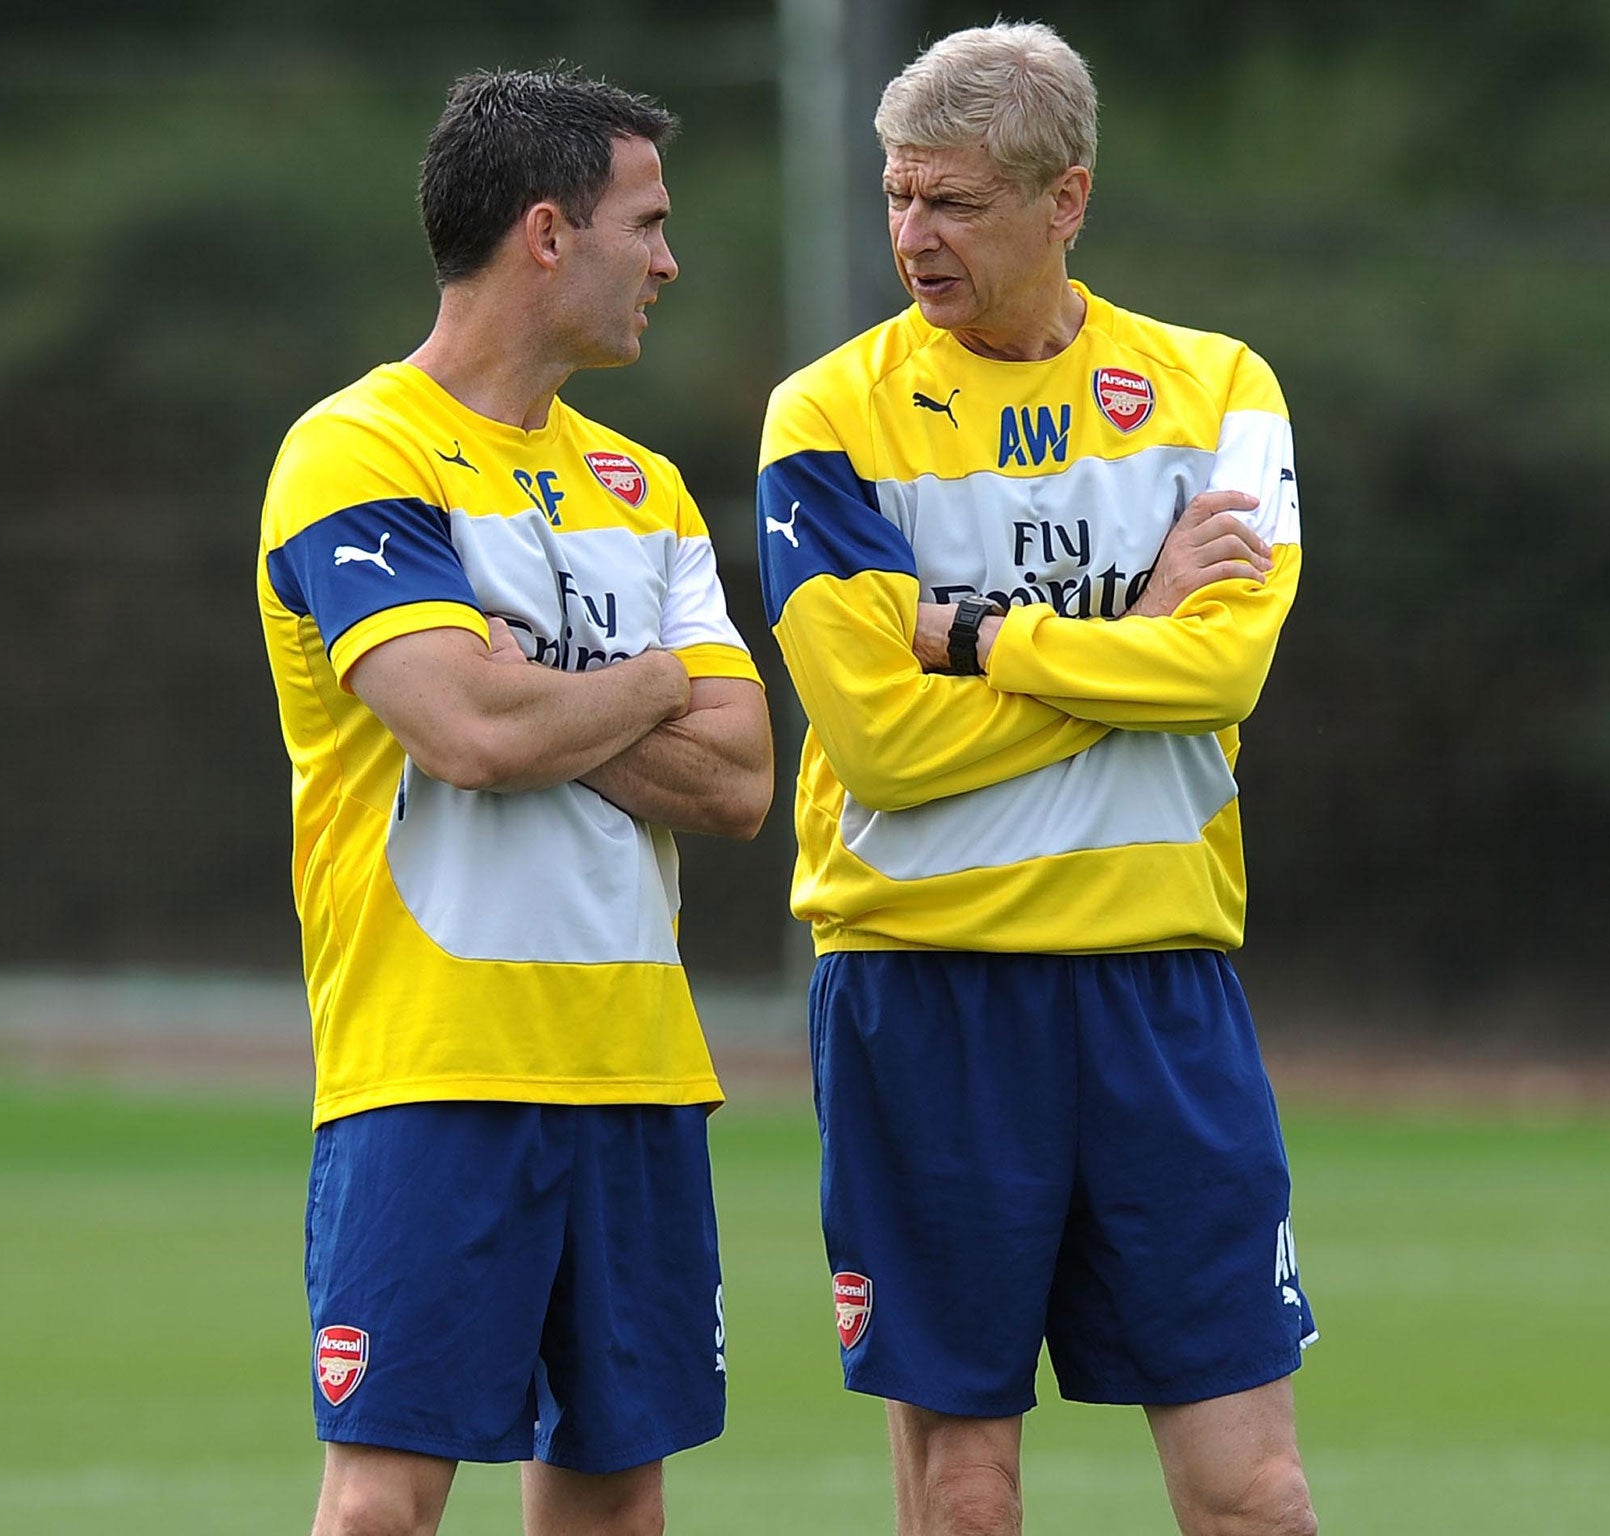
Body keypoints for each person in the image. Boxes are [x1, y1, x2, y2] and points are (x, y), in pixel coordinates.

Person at [756, 22, 1317, 1536]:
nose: (912, 237)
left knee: (1255, 1491)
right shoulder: (829, 415)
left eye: (954, 204)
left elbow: (1221, 674)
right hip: (925, 986)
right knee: (967, 1493)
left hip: (1157, 989)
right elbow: (877, 741)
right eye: (894, 197)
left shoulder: (1218, 391)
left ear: (1066, 199)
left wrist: (980, 635)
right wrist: (1125, 626)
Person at [256, 66, 770, 1536]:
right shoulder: (357, 452)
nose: (670, 261)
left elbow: (741, 781)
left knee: (613, 1503)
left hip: (638, 1072)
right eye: (647, 223)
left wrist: (541, 693)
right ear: (548, 233)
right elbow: (466, 730)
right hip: (433, 1071)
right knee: (381, 1508)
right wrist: (654, 677)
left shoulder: (645, 486)